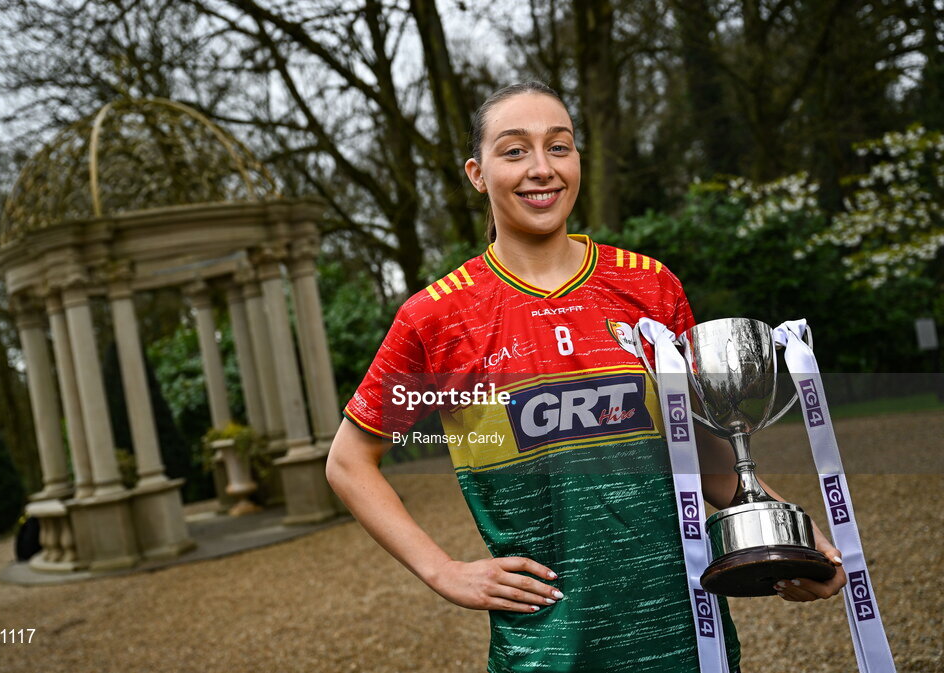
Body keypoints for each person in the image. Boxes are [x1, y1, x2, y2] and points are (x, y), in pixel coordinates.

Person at [325, 81, 846, 673]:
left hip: (686, 638)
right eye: (514, 150)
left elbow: (702, 455)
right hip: (546, 650)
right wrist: (443, 570)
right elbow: (348, 462)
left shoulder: (650, 287)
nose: (541, 169)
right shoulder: (439, 317)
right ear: (476, 173)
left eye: (560, 147)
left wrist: (794, 542)